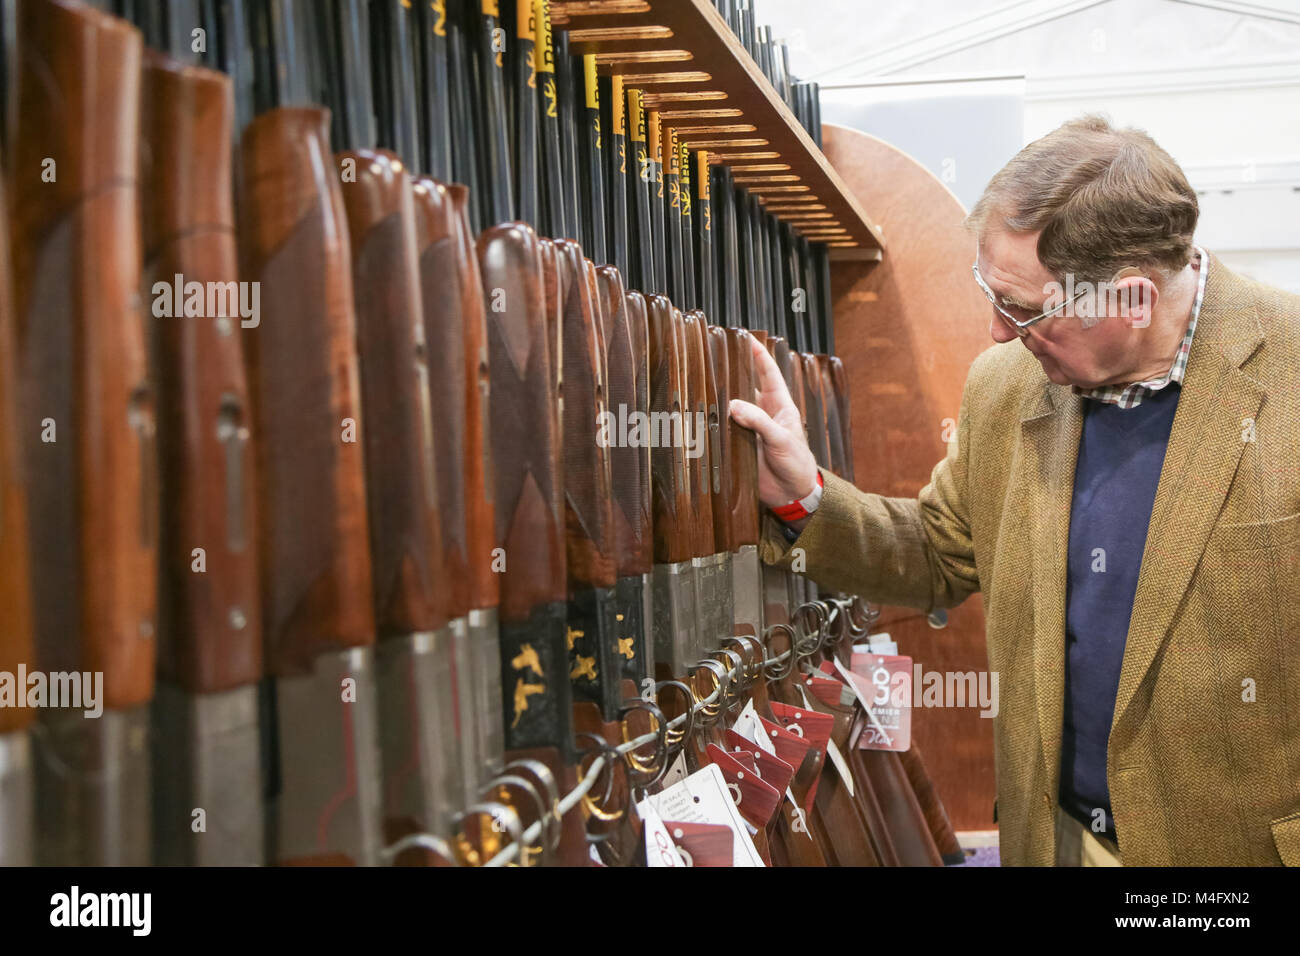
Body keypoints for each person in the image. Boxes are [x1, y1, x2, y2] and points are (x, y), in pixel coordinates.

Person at [730, 115, 1300, 867]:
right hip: (1056, 843)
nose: (999, 332)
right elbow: (937, 552)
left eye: (1027, 308)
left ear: (1131, 299)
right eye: (990, 291)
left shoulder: (1285, 376)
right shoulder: (1006, 387)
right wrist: (804, 493)